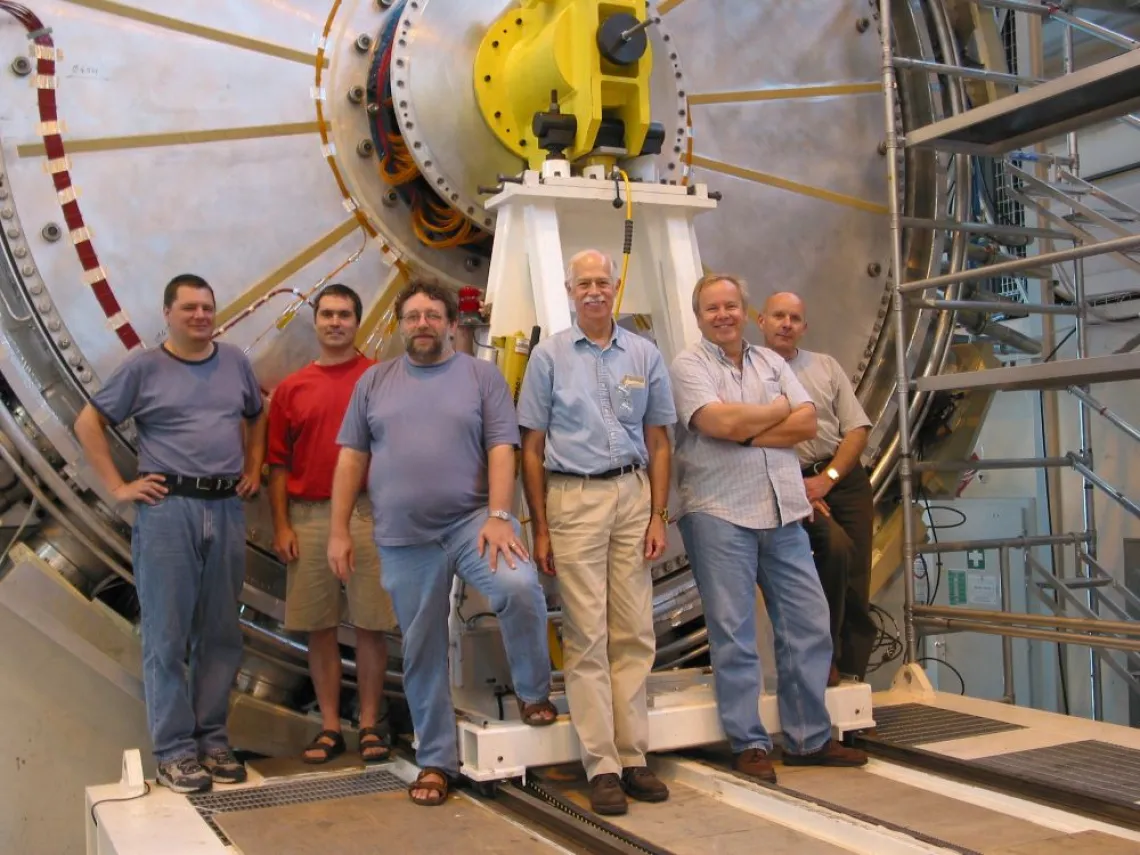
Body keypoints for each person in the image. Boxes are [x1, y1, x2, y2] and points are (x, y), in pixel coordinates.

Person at [328, 279, 555, 807]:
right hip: (405, 537)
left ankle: (532, 691)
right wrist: (339, 530)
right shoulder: (374, 383)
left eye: (433, 315)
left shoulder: (481, 377)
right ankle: (435, 760)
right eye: (413, 316)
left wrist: (500, 516)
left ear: (453, 325)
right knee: (422, 646)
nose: (423, 324)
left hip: (473, 523)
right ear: (401, 325)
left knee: (520, 587)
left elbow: (503, 446)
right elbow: (351, 459)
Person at [669, 273, 866, 783]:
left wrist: (751, 429)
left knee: (808, 620)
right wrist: (774, 412)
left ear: (744, 309)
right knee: (733, 632)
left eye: (730, 306)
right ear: (699, 317)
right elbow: (717, 425)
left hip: (783, 510)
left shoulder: (771, 361)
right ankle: (749, 742)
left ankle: (808, 737)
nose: (723, 315)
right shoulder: (688, 365)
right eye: (712, 309)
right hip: (718, 511)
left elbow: (805, 423)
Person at [73, 274, 265, 793]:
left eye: (207, 307)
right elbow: (87, 423)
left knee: (221, 633)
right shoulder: (144, 367)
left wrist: (253, 463)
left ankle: (213, 741)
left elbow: (255, 414)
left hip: (224, 507)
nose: (201, 316)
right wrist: (118, 486)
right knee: (168, 635)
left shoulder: (235, 364)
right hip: (168, 510)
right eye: (190, 308)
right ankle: (176, 752)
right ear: (168, 313)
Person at [517, 249, 676, 816]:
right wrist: (539, 526)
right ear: (568, 289)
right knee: (586, 635)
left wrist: (658, 512)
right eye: (583, 282)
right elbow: (531, 449)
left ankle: (634, 756)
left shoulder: (644, 353)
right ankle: (601, 765)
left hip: (632, 496)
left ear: (616, 288)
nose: (593, 291)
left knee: (634, 630)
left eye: (602, 282)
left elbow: (659, 440)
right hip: (574, 497)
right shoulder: (549, 356)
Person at [265, 283, 397, 764]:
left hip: (368, 515)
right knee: (318, 627)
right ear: (315, 321)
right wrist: (281, 525)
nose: (335, 322)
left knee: (370, 624)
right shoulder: (292, 389)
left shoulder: (380, 378)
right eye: (327, 314)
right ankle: (328, 726)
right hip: (310, 518)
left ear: (356, 321)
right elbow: (277, 465)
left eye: (344, 314)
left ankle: (367, 724)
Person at [758, 292, 876, 684]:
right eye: (778, 316)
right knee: (835, 550)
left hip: (841, 478)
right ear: (761, 321)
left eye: (794, 318)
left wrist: (828, 481)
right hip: (792, 483)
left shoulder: (825, 367)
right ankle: (823, 659)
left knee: (858, 578)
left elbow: (856, 428)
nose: (786, 324)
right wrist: (799, 488)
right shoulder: (752, 373)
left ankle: (855, 676)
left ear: (804, 328)